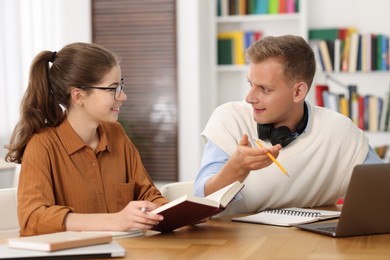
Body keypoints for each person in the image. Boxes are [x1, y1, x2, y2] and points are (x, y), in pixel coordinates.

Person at [194, 35, 382, 215]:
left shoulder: (339, 130)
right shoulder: (229, 118)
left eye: (264, 89)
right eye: (250, 84)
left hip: (312, 243)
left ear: (298, 92)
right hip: (235, 242)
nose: (249, 98)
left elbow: (382, 189)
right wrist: (237, 168)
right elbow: (201, 202)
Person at [5, 42, 168, 236]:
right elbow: (33, 218)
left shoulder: (116, 134)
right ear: (79, 96)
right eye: (112, 88)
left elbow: (147, 194)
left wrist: (180, 213)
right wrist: (115, 221)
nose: (122, 96)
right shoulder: (42, 146)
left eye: (121, 86)